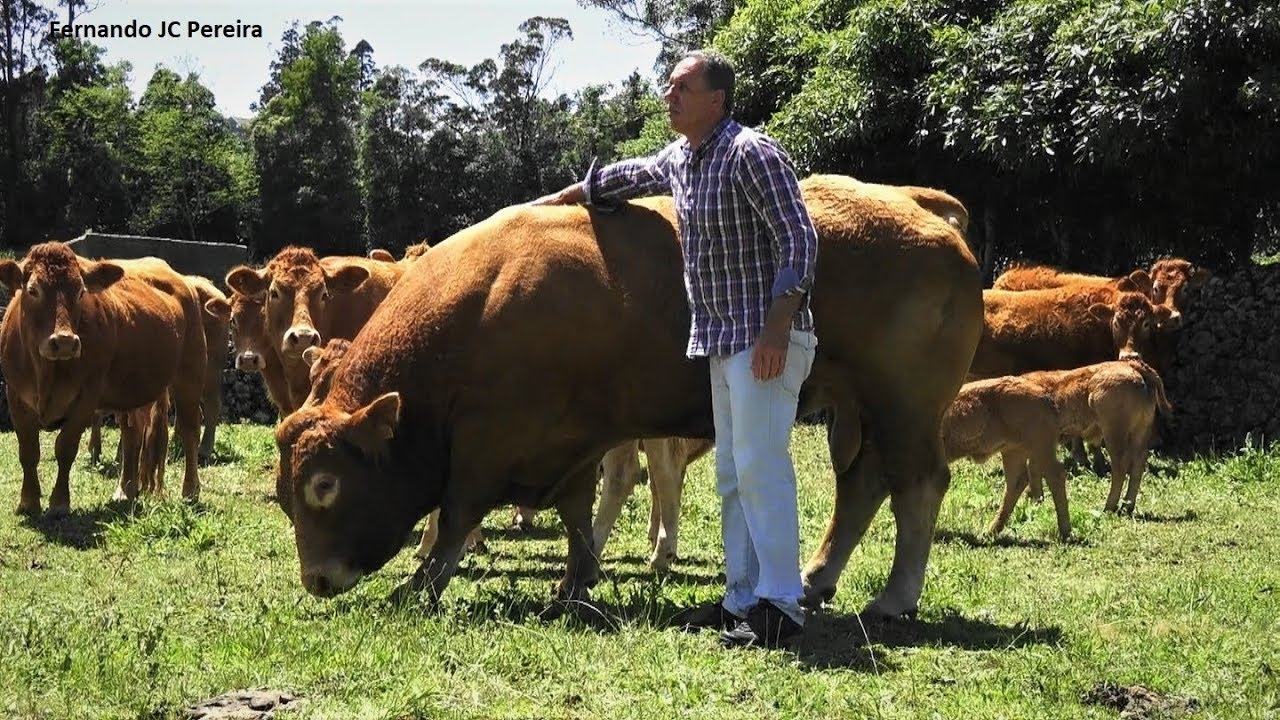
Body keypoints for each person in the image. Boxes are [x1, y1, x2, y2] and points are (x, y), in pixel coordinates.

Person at [530, 49, 819, 651]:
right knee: (732, 472)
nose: (669, 95)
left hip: (764, 338)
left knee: (761, 466)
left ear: (716, 99)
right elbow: (626, 176)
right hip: (722, 340)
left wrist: (776, 328)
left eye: (682, 87)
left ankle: (781, 607)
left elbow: (799, 238)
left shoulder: (750, 153)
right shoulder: (682, 158)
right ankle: (742, 599)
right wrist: (557, 202)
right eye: (669, 86)